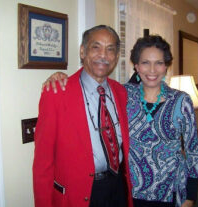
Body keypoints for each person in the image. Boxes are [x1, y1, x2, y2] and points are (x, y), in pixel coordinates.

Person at [44, 35, 198, 207]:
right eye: (145, 62)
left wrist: (190, 197)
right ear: (136, 66)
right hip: (130, 193)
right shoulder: (124, 94)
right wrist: (59, 76)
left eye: (159, 63)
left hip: (170, 193)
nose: (152, 70)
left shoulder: (181, 101)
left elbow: (192, 151)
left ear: (166, 66)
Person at [33, 25, 133, 207]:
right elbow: (43, 163)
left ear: (117, 57)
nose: (103, 55)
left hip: (118, 187)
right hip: (80, 193)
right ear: (82, 51)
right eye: (96, 47)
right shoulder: (56, 93)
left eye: (110, 49)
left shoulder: (120, 92)